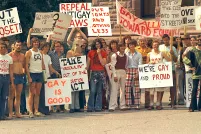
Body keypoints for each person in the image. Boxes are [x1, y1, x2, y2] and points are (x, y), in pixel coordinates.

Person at [146, 40, 171, 110]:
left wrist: (162, 64)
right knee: (151, 89)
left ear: (158, 46)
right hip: (152, 74)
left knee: (159, 89)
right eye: (154, 45)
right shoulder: (149, 54)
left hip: (159, 74)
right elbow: (146, 63)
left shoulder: (162, 53)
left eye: (157, 45)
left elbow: (169, 60)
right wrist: (150, 62)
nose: (155, 46)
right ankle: (151, 103)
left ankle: (158, 103)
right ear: (152, 46)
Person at [25, 37, 45, 118]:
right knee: (31, 93)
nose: (36, 43)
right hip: (32, 73)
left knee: (37, 93)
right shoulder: (29, 52)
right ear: (32, 43)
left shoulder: (40, 52)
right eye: (34, 42)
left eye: (37, 42)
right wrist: (28, 76)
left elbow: (42, 64)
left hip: (39, 73)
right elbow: (26, 65)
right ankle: (30, 111)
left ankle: (36, 110)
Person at [86, 38, 107, 112]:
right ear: (94, 45)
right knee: (93, 90)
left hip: (101, 72)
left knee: (99, 91)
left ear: (101, 45)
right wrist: (86, 72)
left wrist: (99, 54)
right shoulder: (91, 52)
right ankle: (90, 107)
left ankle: (98, 107)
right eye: (96, 44)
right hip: (93, 72)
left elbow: (103, 63)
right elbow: (88, 64)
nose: (97, 45)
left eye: (99, 44)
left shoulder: (103, 52)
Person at [39, 41, 60, 115]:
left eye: (47, 47)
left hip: (47, 76)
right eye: (45, 47)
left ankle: (46, 109)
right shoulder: (39, 54)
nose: (46, 49)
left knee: (46, 94)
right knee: (40, 94)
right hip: (40, 75)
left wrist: (57, 73)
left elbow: (50, 67)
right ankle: (39, 109)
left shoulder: (48, 57)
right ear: (42, 47)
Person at [159, 34, 178, 109]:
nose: (166, 41)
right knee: (161, 86)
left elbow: (176, 60)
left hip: (171, 69)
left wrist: (172, 54)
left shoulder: (173, 48)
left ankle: (172, 102)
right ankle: (159, 102)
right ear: (163, 40)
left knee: (172, 87)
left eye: (167, 40)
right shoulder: (160, 47)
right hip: (163, 69)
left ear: (169, 40)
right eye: (164, 40)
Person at [8, 40, 25, 119]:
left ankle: (17, 112)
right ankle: (10, 113)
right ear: (14, 46)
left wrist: (24, 72)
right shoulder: (10, 55)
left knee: (18, 95)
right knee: (11, 96)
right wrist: (11, 77)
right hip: (13, 76)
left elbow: (24, 66)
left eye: (20, 45)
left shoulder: (22, 55)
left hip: (20, 76)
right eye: (17, 45)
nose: (18, 46)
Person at [109, 43, 127, 111]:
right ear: (119, 48)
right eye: (121, 47)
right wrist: (115, 75)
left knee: (123, 89)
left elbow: (126, 64)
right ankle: (112, 106)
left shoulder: (125, 55)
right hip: (116, 71)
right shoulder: (114, 55)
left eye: (123, 46)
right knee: (114, 89)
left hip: (123, 72)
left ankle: (122, 105)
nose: (122, 48)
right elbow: (112, 66)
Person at [66, 40, 83, 113]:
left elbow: (82, 61)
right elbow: (67, 61)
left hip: (78, 74)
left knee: (77, 91)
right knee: (72, 91)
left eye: (78, 45)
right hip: (71, 74)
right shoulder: (69, 52)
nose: (77, 46)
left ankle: (77, 106)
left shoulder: (80, 53)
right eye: (76, 44)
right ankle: (71, 107)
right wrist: (74, 55)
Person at [183, 43, 201, 112]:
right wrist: (190, 66)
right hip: (196, 72)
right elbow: (184, 58)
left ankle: (200, 107)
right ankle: (192, 107)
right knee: (194, 89)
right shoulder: (192, 50)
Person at [48, 41, 65, 113]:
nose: (57, 48)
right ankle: (51, 107)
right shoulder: (51, 54)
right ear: (54, 47)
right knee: (52, 91)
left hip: (61, 73)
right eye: (56, 46)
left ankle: (58, 107)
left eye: (59, 46)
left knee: (60, 91)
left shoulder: (63, 54)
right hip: (53, 73)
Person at [125, 39, 142, 109]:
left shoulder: (139, 54)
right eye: (130, 45)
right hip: (128, 70)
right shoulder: (126, 53)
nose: (131, 46)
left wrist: (138, 73)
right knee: (127, 87)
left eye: (132, 45)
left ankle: (137, 104)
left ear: (135, 45)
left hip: (136, 70)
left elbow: (140, 64)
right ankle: (128, 104)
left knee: (137, 88)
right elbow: (125, 63)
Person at [135, 37, 151, 108]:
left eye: (144, 41)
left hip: (147, 70)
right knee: (138, 87)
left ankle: (147, 103)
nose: (142, 42)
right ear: (138, 42)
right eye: (141, 41)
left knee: (147, 87)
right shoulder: (135, 49)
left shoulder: (150, 50)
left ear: (146, 42)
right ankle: (138, 103)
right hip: (138, 69)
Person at [0, 40, 14, 120]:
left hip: (6, 77)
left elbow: (11, 70)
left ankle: (2, 115)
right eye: (1, 47)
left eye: (4, 47)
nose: (3, 49)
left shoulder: (9, 58)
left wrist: (11, 82)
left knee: (4, 97)